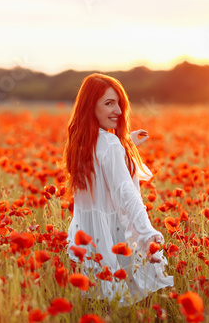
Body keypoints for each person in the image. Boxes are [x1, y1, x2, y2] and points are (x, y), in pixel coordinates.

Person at [60, 73, 174, 306]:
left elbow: (106, 159)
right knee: (119, 306)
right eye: (108, 103)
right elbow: (126, 192)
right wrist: (147, 233)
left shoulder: (80, 142)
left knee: (95, 304)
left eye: (119, 104)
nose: (118, 112)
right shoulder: (109, 144)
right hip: (110, 240)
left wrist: (126, 143)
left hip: (85, 237)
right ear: (90, 106)